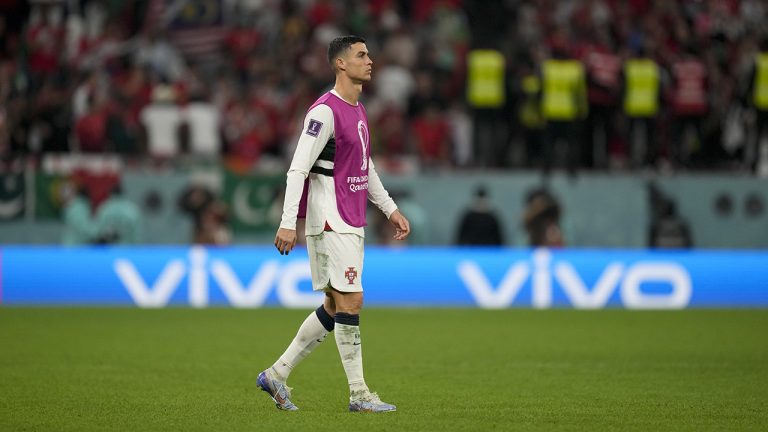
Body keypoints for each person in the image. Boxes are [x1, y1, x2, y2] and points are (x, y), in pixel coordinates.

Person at [257, 35, 411, 413]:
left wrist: (389, 208)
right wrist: (288, 221)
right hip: (330, 219)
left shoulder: (358, 110)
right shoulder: (323, 112)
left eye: (368, 54)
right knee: (352, 300)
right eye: (361, 55)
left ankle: (276, 374)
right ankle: (359, 394)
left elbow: (364, 167)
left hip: (351, 218)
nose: (370, 60)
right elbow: (298, 168)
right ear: (340, 64)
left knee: (333, 303)